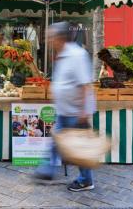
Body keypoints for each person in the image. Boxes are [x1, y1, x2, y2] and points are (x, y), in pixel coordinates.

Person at [35, 21, 96, 192]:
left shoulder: (77, 55)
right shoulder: (61, 55)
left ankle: (85, 180)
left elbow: (85, 85)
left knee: (78, 149)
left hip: (76, 112)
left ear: (60, 38)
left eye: (51, 37)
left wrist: (83, 113)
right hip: (64, 110)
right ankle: (47, 170)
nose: (48, 40)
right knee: (56, 141)